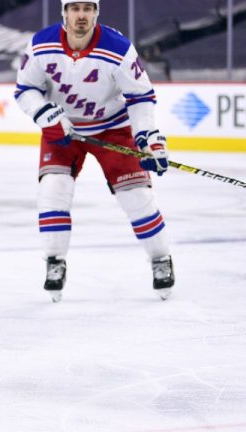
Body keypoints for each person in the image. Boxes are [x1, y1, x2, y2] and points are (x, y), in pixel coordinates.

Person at [15, 0, 174, 302]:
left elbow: (140, 96)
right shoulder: (40, 45)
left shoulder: (118, 48)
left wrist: (148, 136)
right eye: (75, 9)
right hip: (62, 130)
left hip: (112, 128)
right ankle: (54, 261)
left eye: (88, 9)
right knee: (53, 191)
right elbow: (26, 89)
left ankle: (160, 258)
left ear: (96, 13)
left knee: (136, 197)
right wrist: (43, 113)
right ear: (64, 12)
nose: (81, 15)